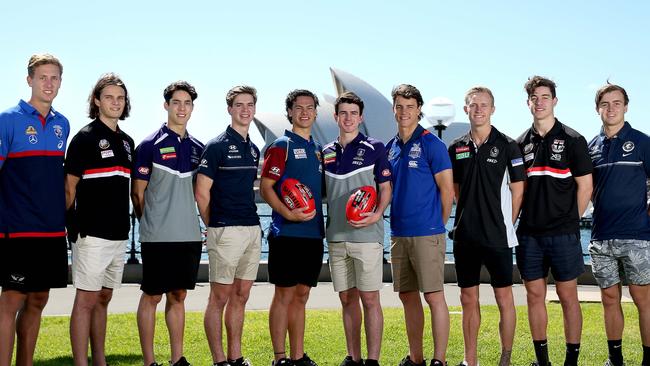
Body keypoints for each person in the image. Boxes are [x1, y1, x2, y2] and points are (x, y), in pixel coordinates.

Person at [516, 76, 593, 366]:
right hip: (529, 234)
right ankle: (542, 360)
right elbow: (516, 191)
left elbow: (585, 186)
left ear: (554, 101)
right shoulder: (520, 143)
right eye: (534, 98)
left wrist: (572, 221)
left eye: (545, 97)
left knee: (567, 295)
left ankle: (570, 361)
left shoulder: (573, 140)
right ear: (528, 103)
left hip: (563, 232)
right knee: (534, 295)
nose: (539, 102)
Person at [0, 53, 69, 366]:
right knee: (11, 300)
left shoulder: (62, 125)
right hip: (17, 228)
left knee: (39, 298)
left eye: (54, 77)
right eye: (43, 77)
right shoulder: (8, 120)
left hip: (52, 229)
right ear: (29, 80)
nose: (49, 83)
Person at [447, 87, 525, 366]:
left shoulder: (508, 145)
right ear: (465, 109)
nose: (478, 109)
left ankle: (505, 357)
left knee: (504, 297)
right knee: (468, 298)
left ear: (493, 109)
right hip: (465, 237)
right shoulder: (455, 147)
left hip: (498, 237)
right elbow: (456, 190)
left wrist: (506, 222)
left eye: (484, 105)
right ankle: (471, 360)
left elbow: (518, 190)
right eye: (473, 105)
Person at [131, 81, 204, 366]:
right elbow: (138, 193)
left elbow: (201, 193)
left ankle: (178, 359)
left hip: (188, 235)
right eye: (176, 102)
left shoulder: (198, 148)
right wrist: (150, 222)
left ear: (192, 108)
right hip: (158, 236)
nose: (182, 108)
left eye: (187, 103)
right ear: (166, 105)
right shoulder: (149, 145)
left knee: (179, 295)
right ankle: (150, 362)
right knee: (152, 296)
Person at [65, 73, 135, 366]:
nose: (115, 102)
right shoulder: (84, 138)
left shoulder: (128, 142)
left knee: (104, 297)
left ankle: (100, 360)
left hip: (119, 233)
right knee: (86, 300)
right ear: (96, 101)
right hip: (91, 234)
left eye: (120, 98)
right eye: (109, 97)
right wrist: (70, 228)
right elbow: (69, 188)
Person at [386, 84, 454, 366]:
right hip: (399, 233)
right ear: (393, 109)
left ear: (419, 110)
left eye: (410, 107)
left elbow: (447, 190)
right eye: (399, 106)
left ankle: (439, 360)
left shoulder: (432, 144)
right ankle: (417, 358)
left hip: (427, 234)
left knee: (434, 296)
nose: (404, 112)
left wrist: (437, 226)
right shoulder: (390, 147)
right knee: (407, 296)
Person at [323, 91, 392, 366]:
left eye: (353, 113)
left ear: (361, 117)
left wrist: (376, 215)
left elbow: (385, 188)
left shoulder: (375, 147)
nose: (348, 118)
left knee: (370, 300)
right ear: (336, 116)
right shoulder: (326, 152)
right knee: (347, 300)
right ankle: (354, 357)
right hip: (336, 238)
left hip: (366, 238)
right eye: (343, 113)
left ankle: (372, 360)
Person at [195, 86, 261, 366]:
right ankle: (219, 359)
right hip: (225, 229)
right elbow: (201, 192)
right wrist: (214, 226)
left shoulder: (254, 149)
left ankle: (236, 356)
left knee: (242, 295)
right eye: (239, 105)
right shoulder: (217, 145)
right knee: (219, 297)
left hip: (252, 228)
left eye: (249, 105)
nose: (245, 110)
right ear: (229, 109)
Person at [259, 89, 325, 366]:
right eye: (299, 108)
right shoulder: (281, 146)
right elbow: (266, 187)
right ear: (289, 112)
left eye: (310, 108)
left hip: (313, 234)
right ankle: (280, 357)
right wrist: (288, 213)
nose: (305, 112)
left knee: (302, 294)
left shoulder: (319, 150)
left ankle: (298, 356)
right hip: (286, 233)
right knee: (284, 294)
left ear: (316, 113)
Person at [587, 83, 650, 366]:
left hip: (637, 236)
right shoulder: (592, 147)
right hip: (601, 237)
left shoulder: (642, 141)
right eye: (605, 104)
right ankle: (615, 360)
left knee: (643, 300)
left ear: (626, 106)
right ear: (597, 108)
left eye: (616, 103)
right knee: (609, 299)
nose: (610, 108)